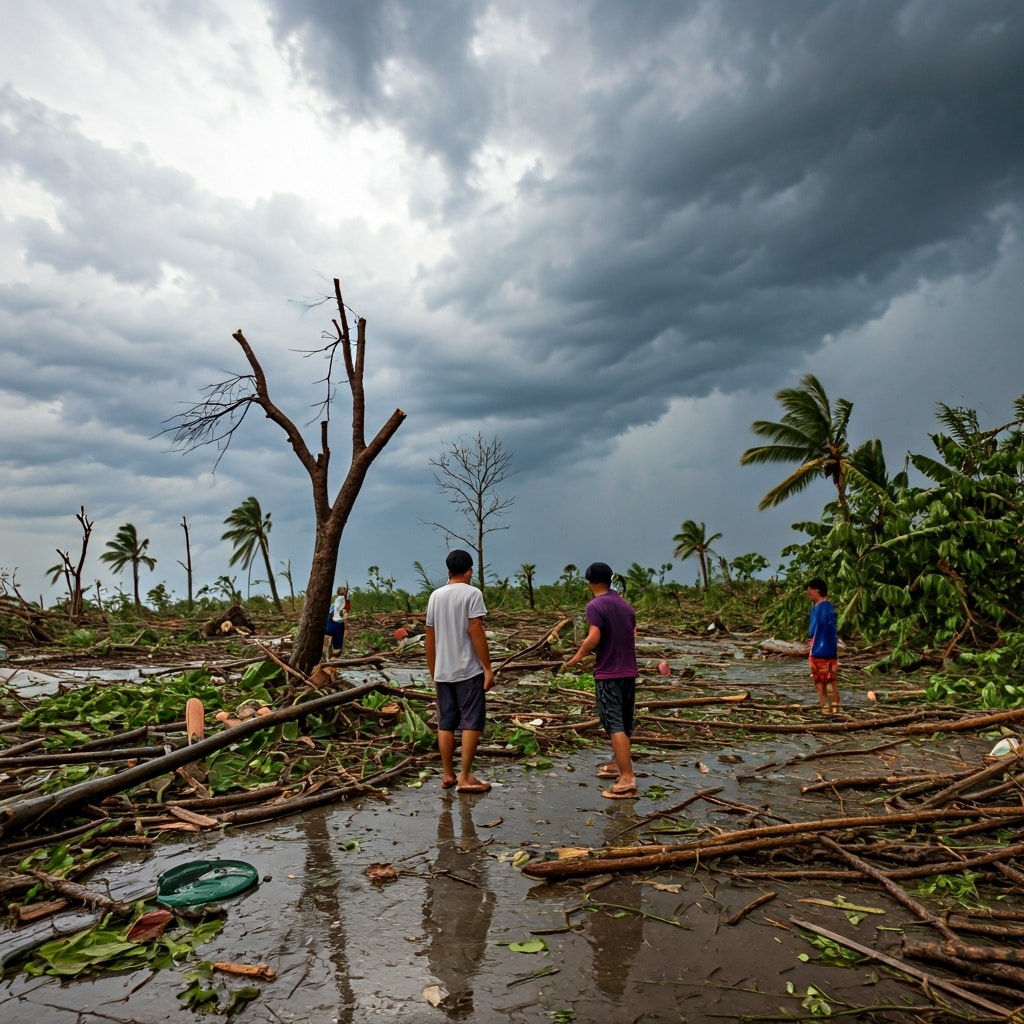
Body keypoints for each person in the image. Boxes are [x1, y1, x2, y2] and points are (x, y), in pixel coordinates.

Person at [564, 561, 640, 799]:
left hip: (609, 673)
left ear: (589, 582)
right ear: (610, 580)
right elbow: (631, 635)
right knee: (625, 722)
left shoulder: (595, 605)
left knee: (614, 723)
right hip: (628, 672)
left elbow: (594, 636)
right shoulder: (626, 606)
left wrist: (576, 658)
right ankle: (617, 764)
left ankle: (627, 778)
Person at [425, 550, 495, 794]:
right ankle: (465, 776)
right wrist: (487, 667)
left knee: (446, 723)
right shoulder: (472, 594)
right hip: (468, 669)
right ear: (469, 571)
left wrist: (434, 670)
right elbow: (475, 628)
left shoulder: (436, 596)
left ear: (448, 570)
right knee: (471, 722)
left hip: (443, 671)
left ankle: (447, 774)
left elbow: (430, 636)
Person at [806, 577, 839, 714]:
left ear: (817, 591)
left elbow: (818, 629)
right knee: (825, 679)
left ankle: (829, 708)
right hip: (823, 649)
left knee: (824, 679)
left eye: (809, 592)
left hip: (822, 650)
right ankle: (830, 707)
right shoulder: (823, 607)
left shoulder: (822, 608)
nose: (808, 595)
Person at [323, 585, 349, 660]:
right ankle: (335, 651)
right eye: (344, 590)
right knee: (337, 634)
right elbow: (339, 608)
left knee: (331, 634)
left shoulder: (340, 599)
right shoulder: (341, 599)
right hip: (336, 621)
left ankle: (330, 654)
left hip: (333, 621)